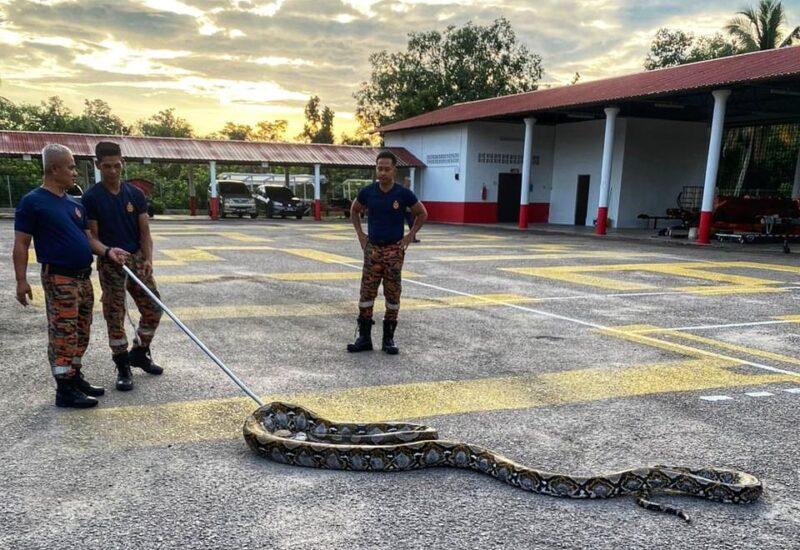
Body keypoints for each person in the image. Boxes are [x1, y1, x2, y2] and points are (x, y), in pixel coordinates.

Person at [12, 144, 129, 408]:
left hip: (82, 277)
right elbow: (21, 244)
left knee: (81, 331)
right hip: (59, 278)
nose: (75, 172)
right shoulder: (33, 202)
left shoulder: (74, 204)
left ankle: (75, 377)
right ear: (54, 169)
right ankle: (64, 389)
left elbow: (89, 239)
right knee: (63, 332)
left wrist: (109, 251)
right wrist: (21, 280)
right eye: (71, 167)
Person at [82, 141, 163, 391]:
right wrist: (108, 252)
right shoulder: (92, 197)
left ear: (122, 163)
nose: (113, 171)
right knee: (114, 315)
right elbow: (92, 237)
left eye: (117, 165)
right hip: (110, 262)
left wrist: (147, 259)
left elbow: (144, 231)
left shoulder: (135, 195)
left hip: (136, 258)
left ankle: (139, 352)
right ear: (98, 165)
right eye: (107, 166)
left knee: (154, 307)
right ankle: (122, 365)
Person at [348, 151, 428, 355]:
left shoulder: (402, 194)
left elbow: (422, 213)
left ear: (394, 170)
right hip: (373, 249)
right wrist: (360, 234)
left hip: (394, 250)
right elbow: (354, 210)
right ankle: (364, 338)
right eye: (379, 168)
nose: (382, 172)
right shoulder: (368, 192)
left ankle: (388, 339)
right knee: (366, 293)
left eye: (386, 169)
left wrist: (410, 236)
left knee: (393, 294)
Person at [402, 177, 420, 243]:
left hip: (408, 211)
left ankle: (413, 238)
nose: (409, 183)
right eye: (408, 182)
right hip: (402, 210)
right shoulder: (402, 190)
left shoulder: (409, 191)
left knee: (412, 224)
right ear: (405, 182)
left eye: (410, 182)